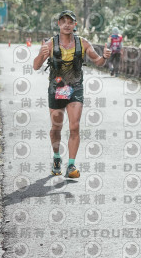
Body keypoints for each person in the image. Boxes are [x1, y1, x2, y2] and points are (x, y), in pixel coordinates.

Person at [33, 10, 111, 178]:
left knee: (74, 126)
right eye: (63, 21)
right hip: (56, 89)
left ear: (75, 25)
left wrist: (104, 57)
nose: (67, 25)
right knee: (56, 128)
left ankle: (71, 165)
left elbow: (98, 61)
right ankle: (56, 158)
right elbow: (36, 66)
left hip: (75, 88)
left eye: (70, 22)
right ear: (58, 24)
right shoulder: (50, 44)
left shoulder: (83, 43)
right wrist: (42, 54)